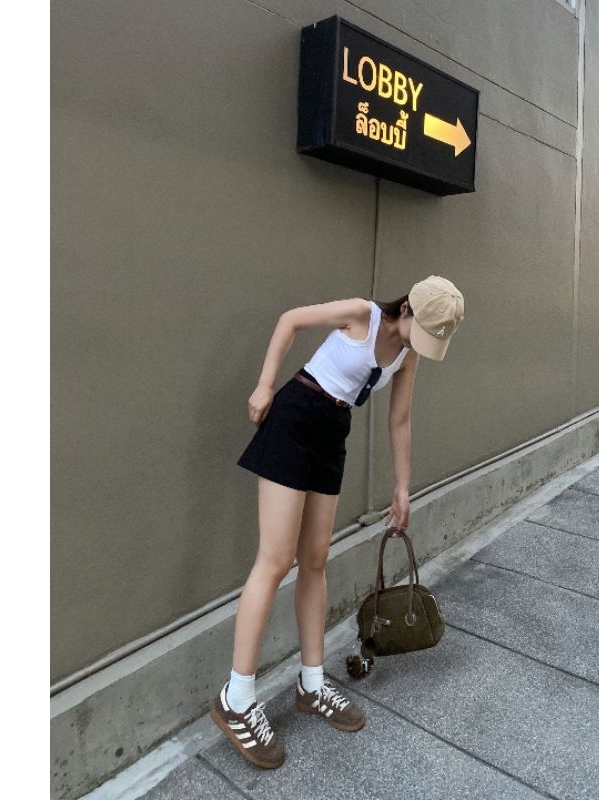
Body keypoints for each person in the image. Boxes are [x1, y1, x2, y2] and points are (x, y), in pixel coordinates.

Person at [210, 275, 465, 769]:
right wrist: (263, 385)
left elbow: (400, 419)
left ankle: (311, 683)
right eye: (420, 332)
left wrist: (402, 486)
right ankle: (236, 697)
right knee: (275, 560)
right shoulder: (362, 314)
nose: (419, 344)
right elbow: (291, 320)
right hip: (296, 415)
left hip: (333, 431)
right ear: (407, 309)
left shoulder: (407, 354)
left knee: (315, 559)